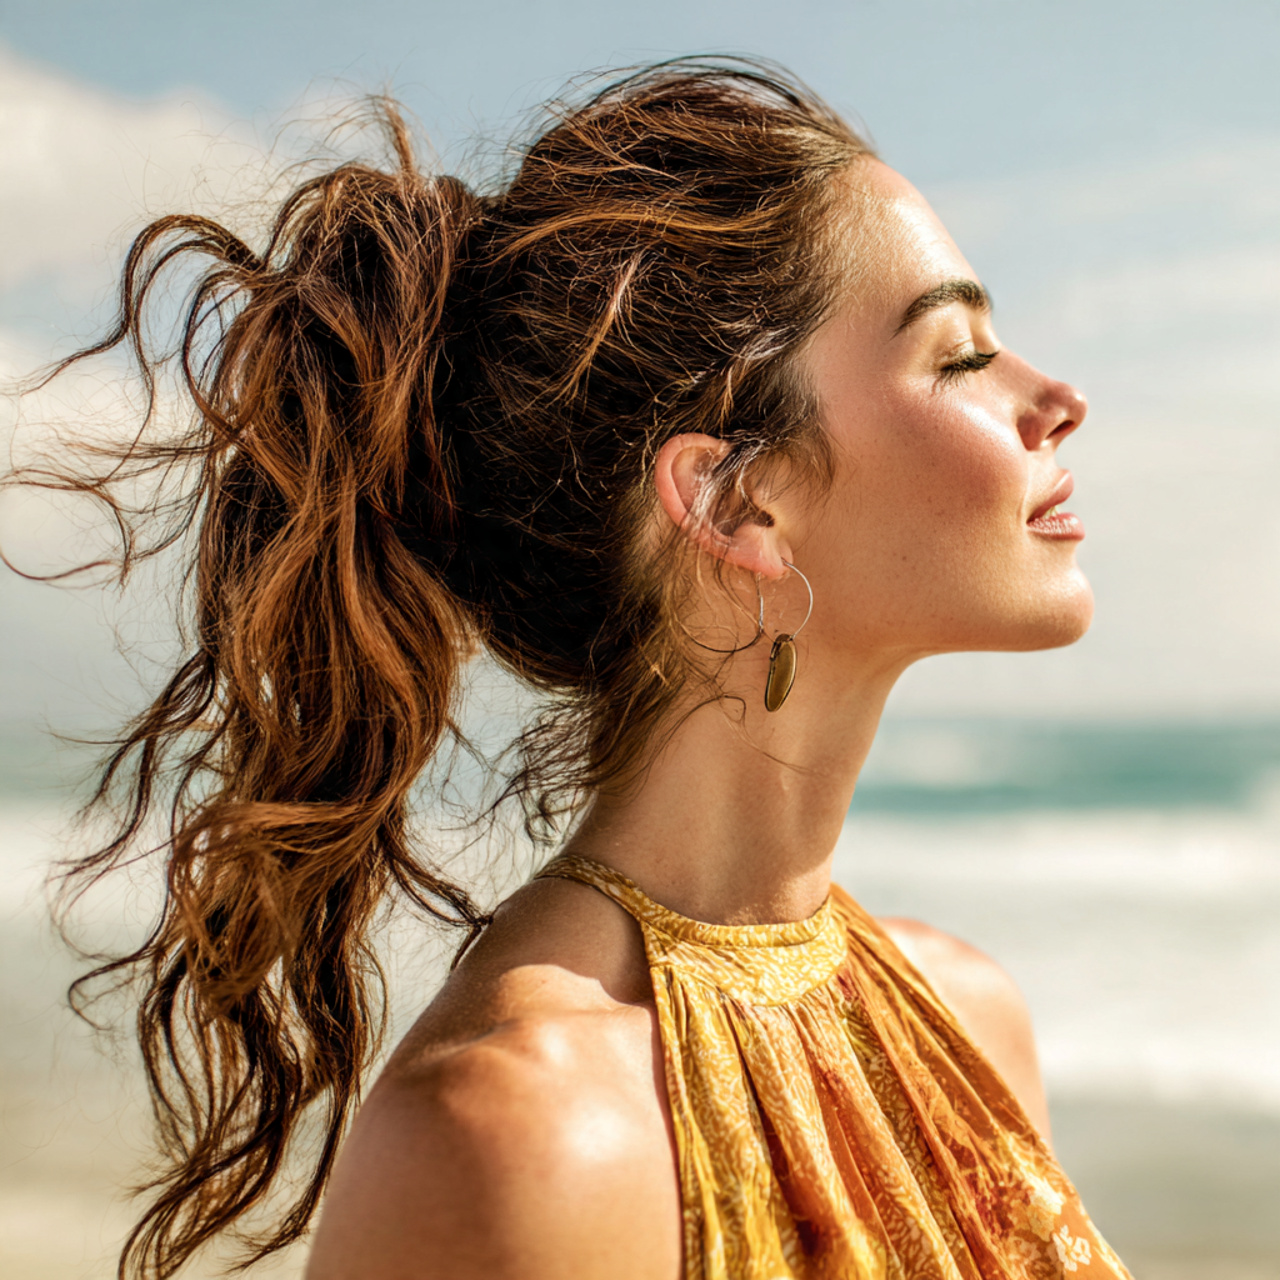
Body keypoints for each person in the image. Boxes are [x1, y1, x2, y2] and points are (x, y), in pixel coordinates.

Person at [23, 59, 1130, 1280]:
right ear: (737, 500)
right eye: (957, 355)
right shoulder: (514, 1138)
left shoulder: (972, 1016)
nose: (1058, 397)